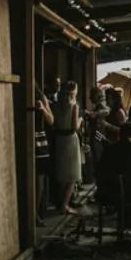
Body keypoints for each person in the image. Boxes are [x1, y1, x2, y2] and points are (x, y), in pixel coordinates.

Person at [52, 80, 83, 215]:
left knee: (61, 172)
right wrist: (81, 119)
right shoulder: (74, 106)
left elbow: (54, 124)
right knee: (72, 174)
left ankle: (60, 202)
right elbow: (75, 126)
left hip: (59, 139)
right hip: (70, 139)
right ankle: (64, 205)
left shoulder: (56, 105)